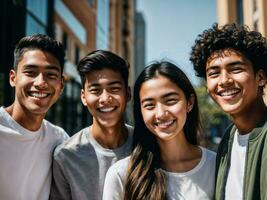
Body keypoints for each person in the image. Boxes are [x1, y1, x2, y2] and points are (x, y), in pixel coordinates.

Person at [102, 61, 216, 200]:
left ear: (189, 102)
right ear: (141, 112)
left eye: (170, 100)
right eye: (149, 105)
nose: (161, 114)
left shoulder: (215, 165)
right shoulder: (121, 174)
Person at [190, 23, 267, 200]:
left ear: (260, 77)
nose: (224, 81)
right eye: (214, 73)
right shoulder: (228, 138)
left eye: (236, 69)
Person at [49, 50, 133, 200]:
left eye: (114, 89)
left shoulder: (147, 145)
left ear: (127, 93)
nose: (105, 98)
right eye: (96, 90)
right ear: (83, 97)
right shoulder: (65, 156)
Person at [0, 34, 69, 200]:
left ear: (61, 85)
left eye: (51, 75)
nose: (40, 82)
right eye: (30, 72)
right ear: (13, 78)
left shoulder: (59, 140)